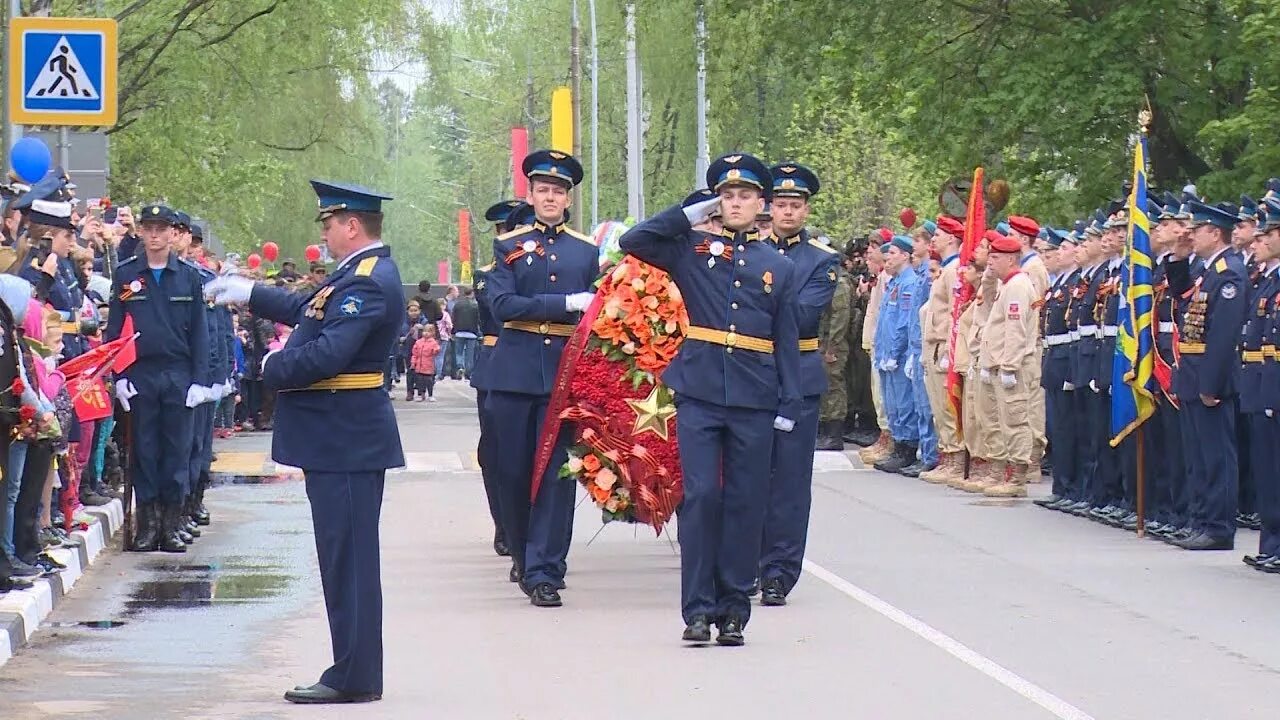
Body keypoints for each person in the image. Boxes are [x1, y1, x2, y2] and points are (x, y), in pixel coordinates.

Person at [205, 180, 404, 704]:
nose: (325, 233)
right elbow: (307, 310)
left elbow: (328, 355)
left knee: (350, 559)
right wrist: (253, 293)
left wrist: (271, 367)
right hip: (339, 435)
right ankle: (351, 669)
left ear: (352, 227)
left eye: (329, 224)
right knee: (342, 555)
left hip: (346, 436)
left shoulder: (368, 282)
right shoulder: (352, 276)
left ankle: (355, 675)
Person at [620, 152, 801, 646]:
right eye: (728, 195)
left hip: (755, 396)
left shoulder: (776, 266)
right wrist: (691, 213)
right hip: (699, 390)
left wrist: (790, 403)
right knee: (701, 497)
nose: (736, 203)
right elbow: (633, 240)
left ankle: (734, 609)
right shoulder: (692, 248)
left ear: (760, 204)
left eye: (745, 196)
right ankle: (696, 610)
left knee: (746, 502)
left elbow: (786, 338)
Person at [484, 149, 599, 608]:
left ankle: (547, 569)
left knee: (557, 474)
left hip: (563, 376)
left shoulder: (586, 250)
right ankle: (521, 548)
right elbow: (503, 307)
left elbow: (596, 313)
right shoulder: (508, 245)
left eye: (559, 191)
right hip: (513, 371)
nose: (550, 197)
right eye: (543, 190)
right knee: (511, 471)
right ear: (530, 195)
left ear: (568, 199)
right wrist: (564, 303)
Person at [105, 204, 210, 554]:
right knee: (145, 451)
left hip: (178, 372)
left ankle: (172, 523)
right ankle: (148, 525)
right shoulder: (126, 275)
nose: (153, 235)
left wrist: (200, 380)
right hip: (141, 373)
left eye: (160, 228)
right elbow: (116, 329)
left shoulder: (189, 277)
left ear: (172, 233)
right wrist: (119, 375)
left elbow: (199, 331)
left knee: (177, 450)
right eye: (148, 228)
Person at [757, 163, 838, 607]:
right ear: (769, 207)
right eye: (781, 204)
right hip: (754, 374)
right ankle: (748, 561)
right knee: (750, 477)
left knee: (788, 482)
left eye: (795, 205)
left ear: (806, 210)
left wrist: (755, 311)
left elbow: (805, 315)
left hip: (799, 375)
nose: (787, 212)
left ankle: (779, 571)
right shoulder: (748, 250)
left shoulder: (821, 259)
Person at [1167, 200, 1247, 551]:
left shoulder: (1229, 272)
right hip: (1192, 373)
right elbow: (1182, 298)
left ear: (1215, 233)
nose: (1191, 234)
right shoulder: (1206, 270)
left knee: (1216, 457)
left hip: (1209, 378)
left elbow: (1224, 334)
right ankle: (1199, 520)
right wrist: (1179, 258)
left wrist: (1210, 385)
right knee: (1198, 456)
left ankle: (1218, 527)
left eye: (1197, 230)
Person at [976, 231, 1039, 496]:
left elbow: (1016, 330)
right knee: (998, 420)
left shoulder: (1017, 286)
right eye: (989, 256)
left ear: (1012, 259)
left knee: (1015, 420)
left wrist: (1010, 366)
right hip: (998, 363)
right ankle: (1001, 471)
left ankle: (1017, 478)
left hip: (1013, 365)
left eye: (996, 257)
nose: (990, 261)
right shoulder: (1007, 284)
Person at [919, 217, 965, 484]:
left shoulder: (955, 268)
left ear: (951, 238)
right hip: (934, 345)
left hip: (944, 345)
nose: (933, 239)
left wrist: (950, 346)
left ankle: (955, 458)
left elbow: (953, 312)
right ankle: (947, 453)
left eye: (938, 235)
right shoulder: (947, 269)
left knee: (948, 406)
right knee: (938, 405)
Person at [872, 236, 921, 473]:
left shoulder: (909, 283)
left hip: (898, 356)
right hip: (886, 353)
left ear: (905, 255)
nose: (887, 258)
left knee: (903, 403)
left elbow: (903, 322)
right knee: (891, 404)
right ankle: (897, 445)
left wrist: (894, 352)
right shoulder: (894, 283)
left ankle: (907, 448)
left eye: (892, 253)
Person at [469, 260, 508, 557]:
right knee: (495, 453)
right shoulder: (487, 274)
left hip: (546, 362)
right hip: (497, 363)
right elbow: (498, 309)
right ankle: (505, 523)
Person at [451, 286, 480, 379]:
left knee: (459, 352)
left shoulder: (458, 304)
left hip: (459, 332)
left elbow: (454, 318)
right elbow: (479, 320)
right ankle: (468, 373)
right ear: (472, 293)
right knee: (469, 355)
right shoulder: (476, 305)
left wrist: (453, 331)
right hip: (472, 333)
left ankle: (460, 367)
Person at [410, 323, 441, 401]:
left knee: (429, 381)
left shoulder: (434, 342)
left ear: (433, 333)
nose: (426, 333)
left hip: (428, 366)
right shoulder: (418, 342)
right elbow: (414, 354)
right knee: (419, 381)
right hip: (419, 366)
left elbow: (436, 352)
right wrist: (413, 363)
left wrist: (436, 350)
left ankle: (430, 395)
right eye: (425, 331)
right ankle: (420, 394)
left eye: (429, 331)